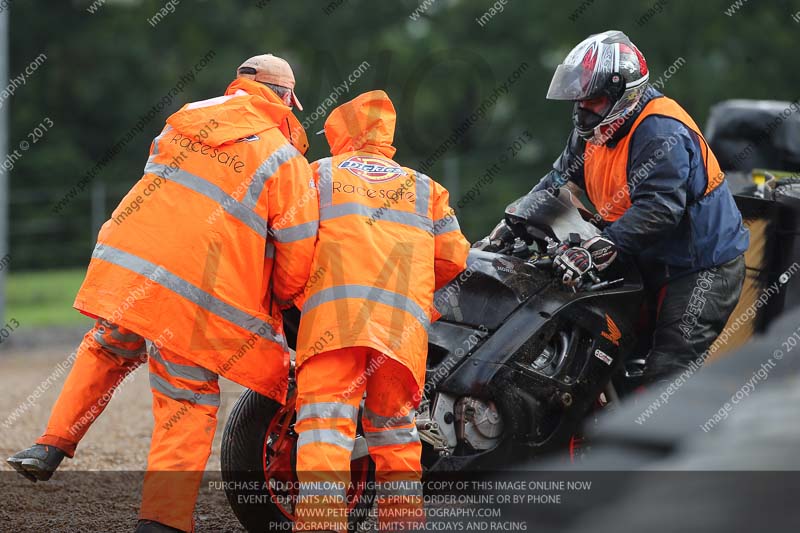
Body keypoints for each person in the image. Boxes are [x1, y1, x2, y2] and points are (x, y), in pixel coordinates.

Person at [7, 54, 319, 533]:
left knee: (107, 345)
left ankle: (50, 442)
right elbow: (297, 253)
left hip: (134, 266)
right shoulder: (283, 157)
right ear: (284, 99)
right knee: (186, 400)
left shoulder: (185, 118)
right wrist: (280, 304)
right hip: (198, 295)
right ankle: (162, 521)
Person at [479, 30, 749, 384]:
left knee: (666, 371)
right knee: (597, 351)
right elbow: (558, 180)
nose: (583, 110)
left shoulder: (660, 130)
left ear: (624, 94)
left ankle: (675, 434)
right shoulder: (592, 128)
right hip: (646, 253)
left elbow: (660, 209)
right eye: (580, 100)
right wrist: (513, 222)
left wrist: (603, 246)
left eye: (593, 100)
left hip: (702, 266)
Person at [291, 90, 470, 533]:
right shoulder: (424, 186)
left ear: (338, 133)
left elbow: (292, 241)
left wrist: (295, 295)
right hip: (401, 332)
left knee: (324, 432)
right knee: (396, 436)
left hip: (335, 325)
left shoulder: (319, 175)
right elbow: (453, 258)